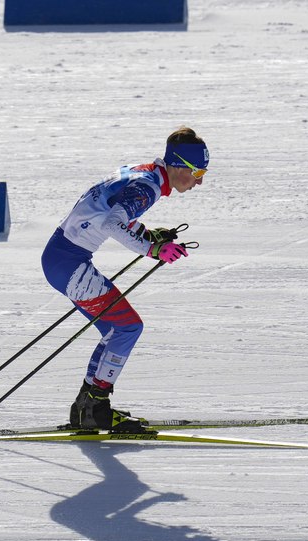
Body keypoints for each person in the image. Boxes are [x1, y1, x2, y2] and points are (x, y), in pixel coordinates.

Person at [41, 127, 208, 432]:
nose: (200, 180)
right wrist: (152, 248)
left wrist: (149, 234)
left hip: (60, 257)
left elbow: (110, 212)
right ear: (179, 164)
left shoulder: (145, 174)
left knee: (114, 330)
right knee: (129, 327)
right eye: (197, 171)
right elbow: (113, 223)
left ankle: (86, 409)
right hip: (69, 261)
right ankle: (97, 408)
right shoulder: (148, 187)